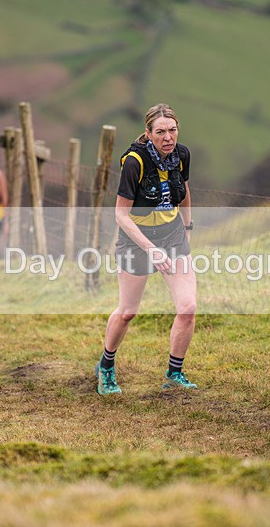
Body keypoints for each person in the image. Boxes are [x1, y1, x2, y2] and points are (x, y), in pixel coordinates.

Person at [95, 103, 197, 395]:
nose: (169, 137)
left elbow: (185, 190)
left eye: (173, 130)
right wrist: (151, 249)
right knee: (128, 311)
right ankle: (106, 367)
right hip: (136, 239)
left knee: (188, 308)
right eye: (161, 132)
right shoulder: (134, 162)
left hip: (173, 235)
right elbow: (121, 216)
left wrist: (187, 227)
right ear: (149, 133)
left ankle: (174, 374)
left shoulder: (182, 155)